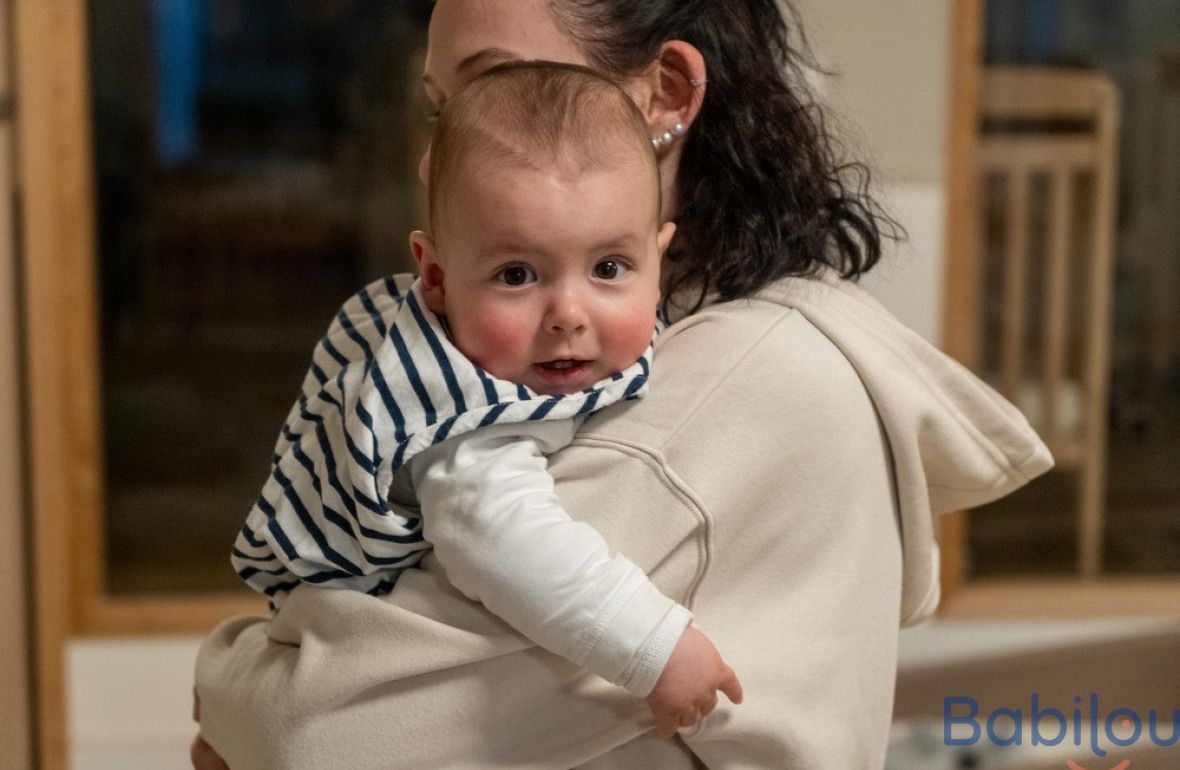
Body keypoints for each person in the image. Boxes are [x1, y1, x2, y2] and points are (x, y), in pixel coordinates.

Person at [193, 0, 1053, 767]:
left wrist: (230, 672)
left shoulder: (718, 396)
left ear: (669, 95)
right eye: (440, 110)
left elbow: (307, 737)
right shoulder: (609, 353)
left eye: (502, 84)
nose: (434, 162)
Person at [231, 62, 741, 735]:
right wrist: (655, 649)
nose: (568, 313)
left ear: (658, 258)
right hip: (342, 609)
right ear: (436, 277)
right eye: (517, 275)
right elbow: (510, 545)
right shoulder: (461, 416)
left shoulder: (626, 336)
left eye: (609, 268)